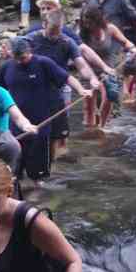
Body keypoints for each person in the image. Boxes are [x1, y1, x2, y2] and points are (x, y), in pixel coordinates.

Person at [0, 37, 91, 182]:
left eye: (22, 58)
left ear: (29, 51)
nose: (19, 62)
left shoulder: (43, 63)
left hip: (40, 124)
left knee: (39, 174)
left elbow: (67, 78)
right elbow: (1, 93)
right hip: (15, 125)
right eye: (16, 58)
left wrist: (81, 89)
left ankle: (39, 194)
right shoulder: (7, 67)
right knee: (14, 171)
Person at [26, 9, 100, 161]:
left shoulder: (67, 42)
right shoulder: (31, 39)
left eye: (58, 31)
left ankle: (53, 159)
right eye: (52, 31)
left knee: (57, 130)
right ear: (44, 24)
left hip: (59, 87)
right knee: (33, 127)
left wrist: (92, 78)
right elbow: (15, 52)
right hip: (34, 89)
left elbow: (82, 66)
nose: (56, 36)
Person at [79, 5, 136, 128]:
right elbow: (79, 57)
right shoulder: (81, 34)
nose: (87, 26)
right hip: (89, 72)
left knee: (110, 95)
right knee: (89, 106)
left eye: (90, 22)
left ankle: (102, 126)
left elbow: (125, 42)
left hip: (109, 70)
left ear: (97, 20)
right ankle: (90, 130)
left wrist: (132, 48)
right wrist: (91, 78)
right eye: (85, 23)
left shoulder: (110, 29)